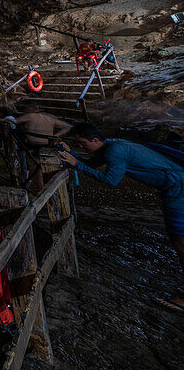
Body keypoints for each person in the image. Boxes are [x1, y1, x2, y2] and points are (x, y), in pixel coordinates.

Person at [60, 123, 184, 313]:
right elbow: (92, 163)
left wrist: (76, 164)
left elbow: (111, 181)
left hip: (177, 188)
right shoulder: (112, 144)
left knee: (179, 240)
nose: (81, 147)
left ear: (95, 140)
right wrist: (73, 156)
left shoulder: (114, 151)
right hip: (176, 183)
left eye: (82, 143)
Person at [16, 104, 74, 188]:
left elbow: (12, 121)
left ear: (31, 109)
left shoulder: (30, 116)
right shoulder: (49, 118)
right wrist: (55, 135)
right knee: (45, 166)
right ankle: (46, 186)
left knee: (38, 166)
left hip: (33, 145)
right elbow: (68, 127)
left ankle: (39, 186)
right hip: (47, 145)